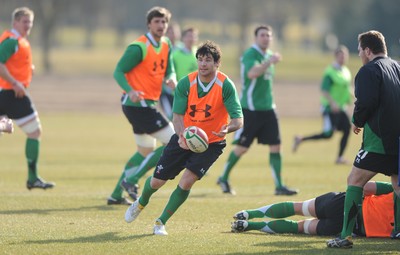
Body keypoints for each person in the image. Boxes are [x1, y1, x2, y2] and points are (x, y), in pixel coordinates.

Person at [124, 40, 243, 235]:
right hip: (184, 137)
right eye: (200, 59)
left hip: (211, 143)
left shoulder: (225, 85)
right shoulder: (186, 83)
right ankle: (141, 202)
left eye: (208, 60)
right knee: (156, 182)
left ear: (216, 64)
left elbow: (239, 120)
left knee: (187, 181)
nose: (203, 64)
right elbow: (177, 116)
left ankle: (160, 222)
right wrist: (181, 136)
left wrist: (227, 129)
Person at [326, 30, 400, 249]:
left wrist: (357, 120)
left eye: (359, 50)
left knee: (355, 180)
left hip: (379, 140)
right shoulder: (397, 67)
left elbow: (365, 101)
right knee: (397, 184)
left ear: (368, 50)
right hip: (398, 140)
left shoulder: (368, 70)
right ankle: (397, 230)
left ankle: (345, 236)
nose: (358, 54)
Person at [107, 6, 177, 205]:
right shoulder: (138, 47)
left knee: (145, 151)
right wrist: (130, 90)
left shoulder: (166, 44)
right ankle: (131, 180)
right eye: (157, 22)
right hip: (137, 105)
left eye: (164, 22)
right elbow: (118, 71)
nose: (161, 25)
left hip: (147, 105)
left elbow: (169, 70)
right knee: (173, 142)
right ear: (149, 24)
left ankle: (115, 195)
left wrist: (171, 79)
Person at [217, 25, 297, 196]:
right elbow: (252, 73)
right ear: (255, 38)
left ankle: (279, 185)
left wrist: (269, 60)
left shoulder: (268, 55)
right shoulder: (250, 55)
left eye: (269, 35)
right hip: (251, 109)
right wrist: (269, 62)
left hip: (269, 109)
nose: (266, 38)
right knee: (242, 147)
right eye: (262, 35)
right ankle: (223, 177)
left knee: (276, 146)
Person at [0, 7, 55, 190]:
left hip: (10, 92)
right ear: (15, 22)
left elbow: (12, 63)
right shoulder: (12, 41)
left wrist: (27, 71)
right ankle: (32, 178)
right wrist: (15, 83)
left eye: (30, 22)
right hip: (11, 93)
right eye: (24, 21)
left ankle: (33, 178)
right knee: (35, 132)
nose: (28, 25)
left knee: (16, 129)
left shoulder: (20, 41)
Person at [231, 181, 394, 239]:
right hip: (351, 228)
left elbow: (364, 187)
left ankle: (248, 214)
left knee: (298, 207)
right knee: (298, 227)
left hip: (341, 204)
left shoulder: (396, 189)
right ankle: (248, 226)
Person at [292, 46, 352, 164]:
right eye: (340, 56)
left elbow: (346, 88)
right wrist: (332, 103)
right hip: (329, 108)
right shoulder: (330, 72)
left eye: (345, 55)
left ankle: (339, 158)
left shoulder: (346, 71)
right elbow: (324, 90)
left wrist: (352, 98)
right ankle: (300, 139)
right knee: (328, 135)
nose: (343, 58)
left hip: (341, 108)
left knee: (347, 128)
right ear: (336, 57)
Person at [160, 27, 199, 120]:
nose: (191, 39)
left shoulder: (199, 54)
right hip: (175, 95)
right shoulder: (175, 55)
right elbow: (167, 74)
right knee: (174, 121)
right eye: (189, 36)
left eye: (194, 36)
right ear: (183, 38)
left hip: (194, 95)